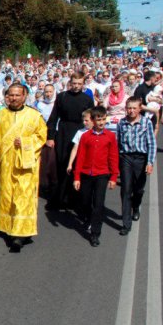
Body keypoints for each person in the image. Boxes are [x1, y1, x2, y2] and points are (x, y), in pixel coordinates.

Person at [0, 83, 47, 253]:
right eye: (11, 95)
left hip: (27, 165)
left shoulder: (34, 116)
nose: (14, 98)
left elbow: (41, 137)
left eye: (17, 95)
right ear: (7, 96)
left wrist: (26, 143)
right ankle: (9, 229)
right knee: (7, 197)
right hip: (6, 164)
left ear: (24, 96)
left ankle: (20, 236)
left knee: (23, 199)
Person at [46, 72, 95, 210]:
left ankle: (76, 199)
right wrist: (50, 136)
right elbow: (53, 117)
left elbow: (92, 119)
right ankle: (60, 198)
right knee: (62, 165)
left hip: (81, 132)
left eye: (79, 84)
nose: (76, 86)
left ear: (83, 84)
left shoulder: (87, 99)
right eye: (74, 83)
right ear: (70, 82)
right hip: (63, 132)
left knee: (78, 165)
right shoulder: (62, 97)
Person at [73, 106, 119, 247]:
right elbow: (80, 157)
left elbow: (113, 157)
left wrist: (113, 177)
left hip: (102, 174)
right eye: (98, 120)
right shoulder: (86, 136)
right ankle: (87, 218)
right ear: (92, 120)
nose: (101, 122)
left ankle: (95, 233)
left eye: (103, 119)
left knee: (98, 204)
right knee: (86, 201)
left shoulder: (110, 136)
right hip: (86, 174)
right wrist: (77, 177)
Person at [116, 97, 156, 235]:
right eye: (129, 108)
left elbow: (151, 144)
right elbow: (118, 143)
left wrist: (150, 162)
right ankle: (126, 224)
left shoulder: (146, 123)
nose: (131, 111)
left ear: (140, 109)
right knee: (126, 190)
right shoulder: (122, 123)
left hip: (140, 159)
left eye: (134, 108)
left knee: (138, 189)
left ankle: (136, 206)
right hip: (126, 158)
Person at [66, 109, 93, 174]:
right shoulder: (80, 132)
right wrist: (70, 164)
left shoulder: (99, 132)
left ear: (93, 120)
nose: (84, 122)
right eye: (83, 120)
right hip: (83, 163)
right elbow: (75, 149)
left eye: (86, 120)